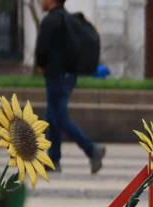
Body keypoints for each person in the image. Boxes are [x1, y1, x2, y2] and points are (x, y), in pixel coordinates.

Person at [35, 0, 105, 174]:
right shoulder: (68, 19)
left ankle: (92, 149)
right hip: (69, 76)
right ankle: (53, 159)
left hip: (56, 76)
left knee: (59, 118)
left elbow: (41, 50)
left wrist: (41, 65)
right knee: (53, 116)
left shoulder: (50, 21)